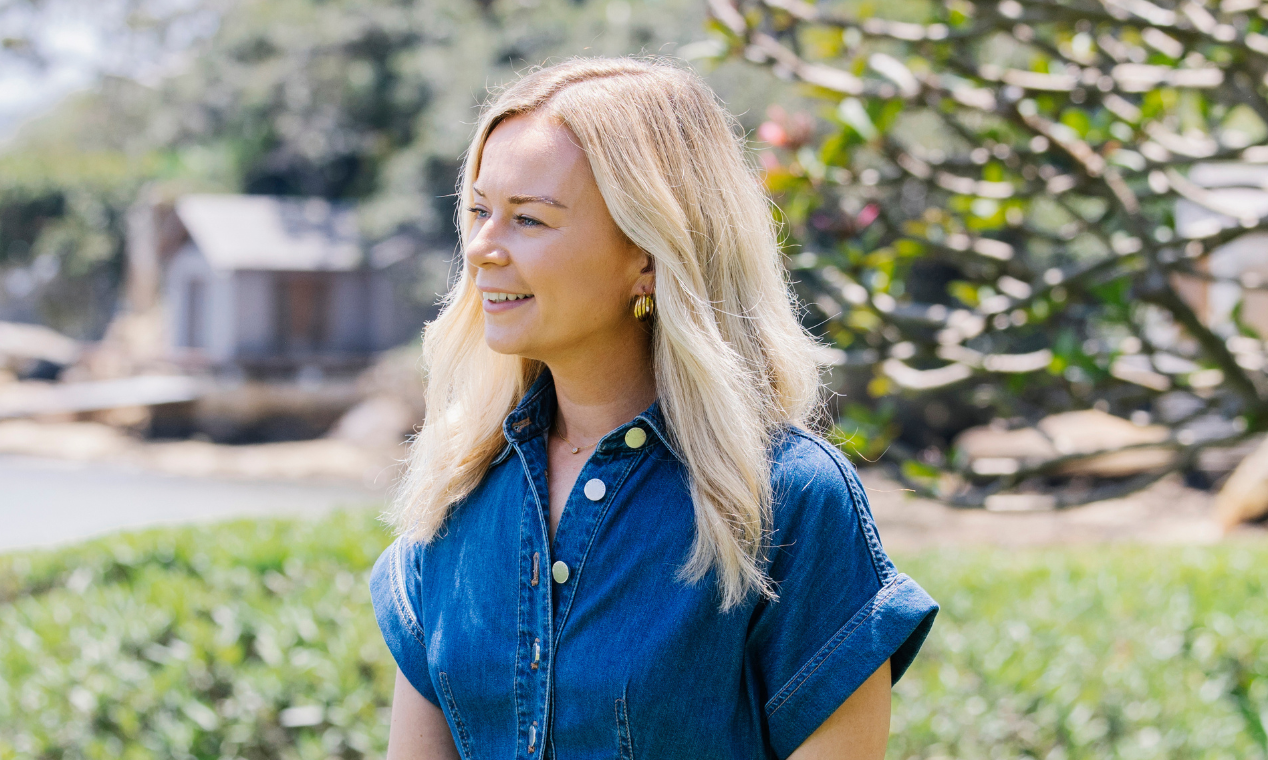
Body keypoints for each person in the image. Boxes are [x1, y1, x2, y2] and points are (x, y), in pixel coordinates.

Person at [370, 57, 939, 759]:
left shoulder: (787, 498)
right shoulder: (457, 489)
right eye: (480, 211)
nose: (483, 248)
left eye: (529, 219)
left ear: (648, 254)